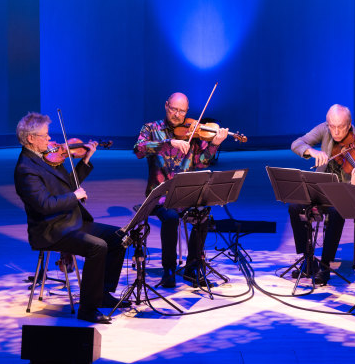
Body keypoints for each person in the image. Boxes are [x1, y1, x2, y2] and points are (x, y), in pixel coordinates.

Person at [14, 112, 129, 324]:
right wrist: (74, 196)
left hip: (69, 221)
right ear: (30, 138)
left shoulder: (44, 159)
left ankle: (103, 293)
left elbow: (67, 184)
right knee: (98, 247)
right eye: (45, 136)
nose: (50, 140)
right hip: (51, 230)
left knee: (118, 237)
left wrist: (84, 161)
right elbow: (44, 205)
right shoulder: (25, 169)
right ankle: (88, 308)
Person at [134, 92, 228, 288]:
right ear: (166, 105)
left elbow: (201, 163)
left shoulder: (193, 132)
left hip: (185, 193)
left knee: (203, 212)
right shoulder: (151, 128)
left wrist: (214, 145)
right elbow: (138, 150)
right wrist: (168, 143)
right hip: (158, 195)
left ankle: (192, 267)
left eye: (182, 111)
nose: (177, 115)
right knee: (170, 217)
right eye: (174, 109)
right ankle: (168, 269)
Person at [289, 104, 355, 285]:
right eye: (332, 126)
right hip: (321, 190)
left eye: (340, 127)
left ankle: (325, 266)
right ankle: (307, 260)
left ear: (349, 125)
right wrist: (312, 151)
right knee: (294, 208)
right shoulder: (325, 128)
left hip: (345, 195)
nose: (336, 131)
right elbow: (297, 143)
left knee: (336, 212)